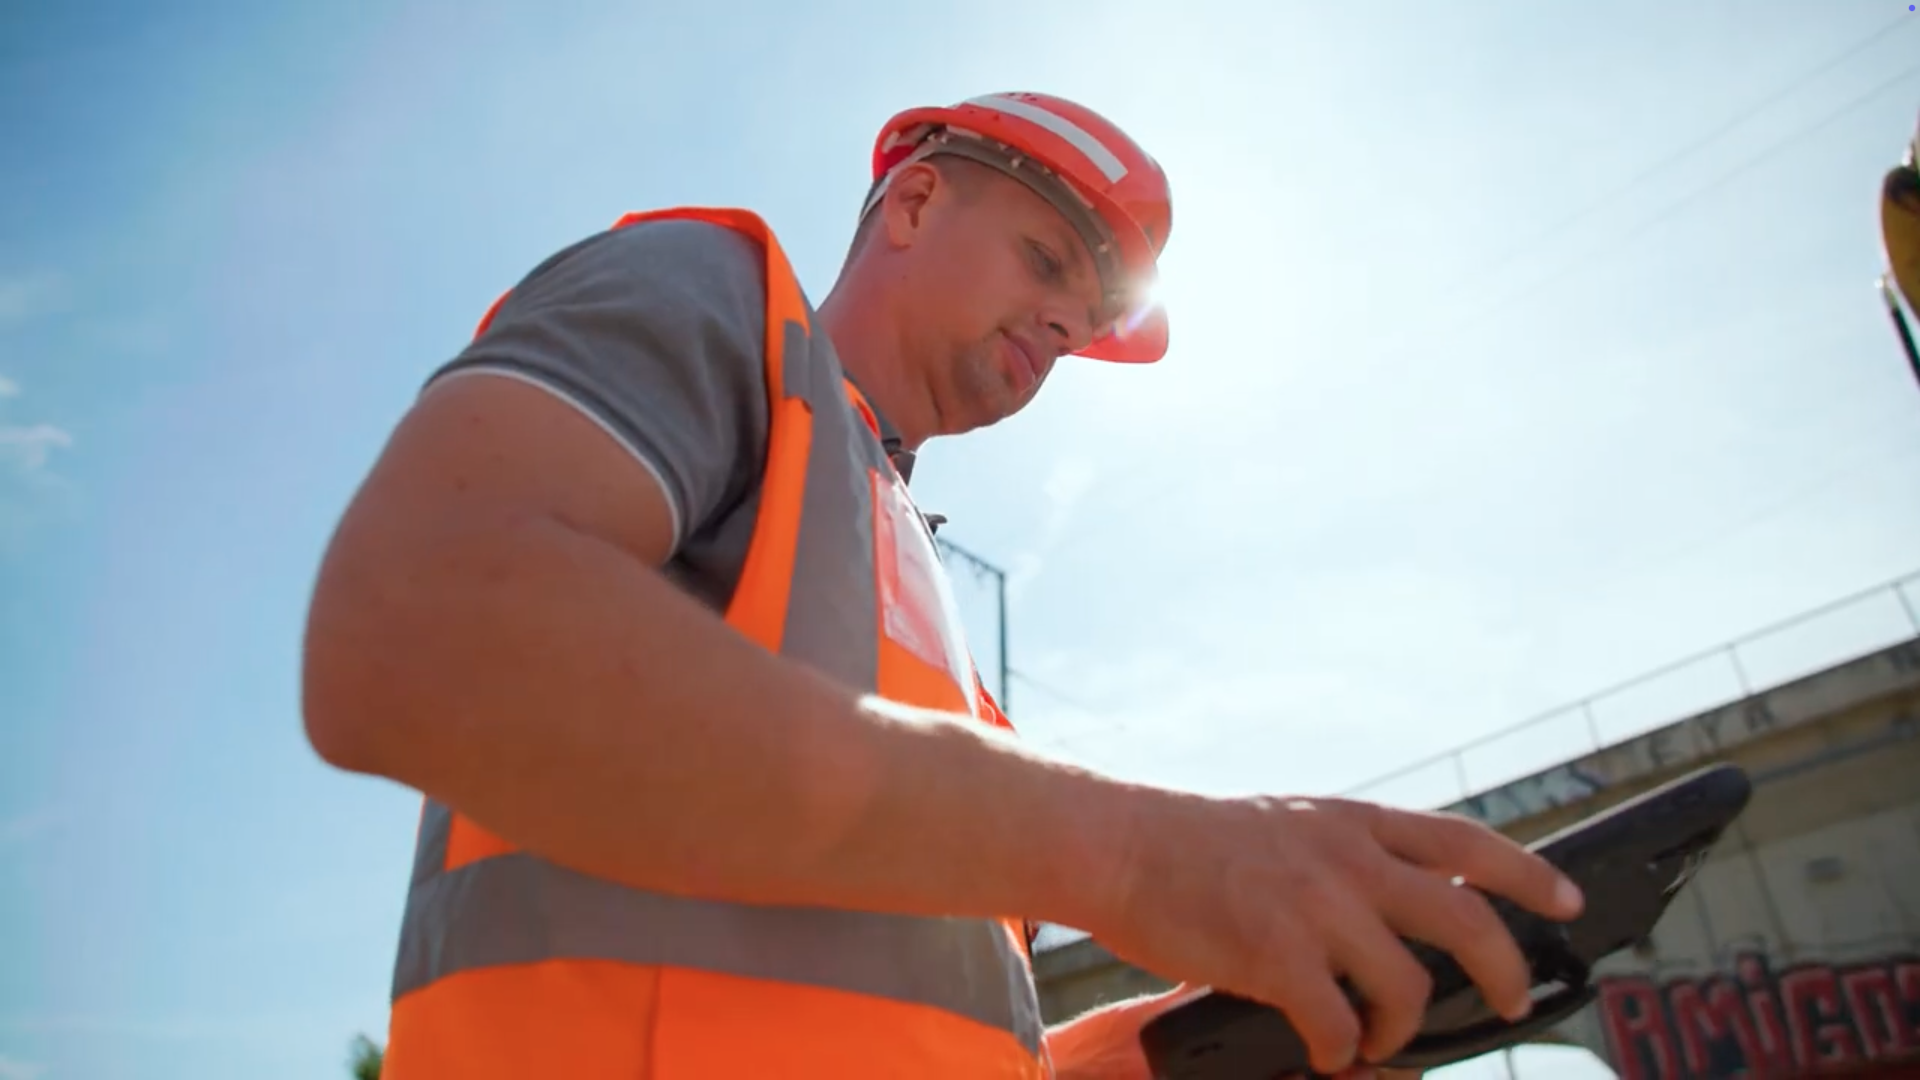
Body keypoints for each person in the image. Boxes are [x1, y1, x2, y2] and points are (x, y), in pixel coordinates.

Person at [301, 91, 1584, 1080]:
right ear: (912, 206)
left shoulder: (900, 575)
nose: (1064, 329)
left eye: (1084, 323)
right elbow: (409, 629)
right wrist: (1134, 852)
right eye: (1046, 262)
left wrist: (1144, 1055)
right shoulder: (714, 299)